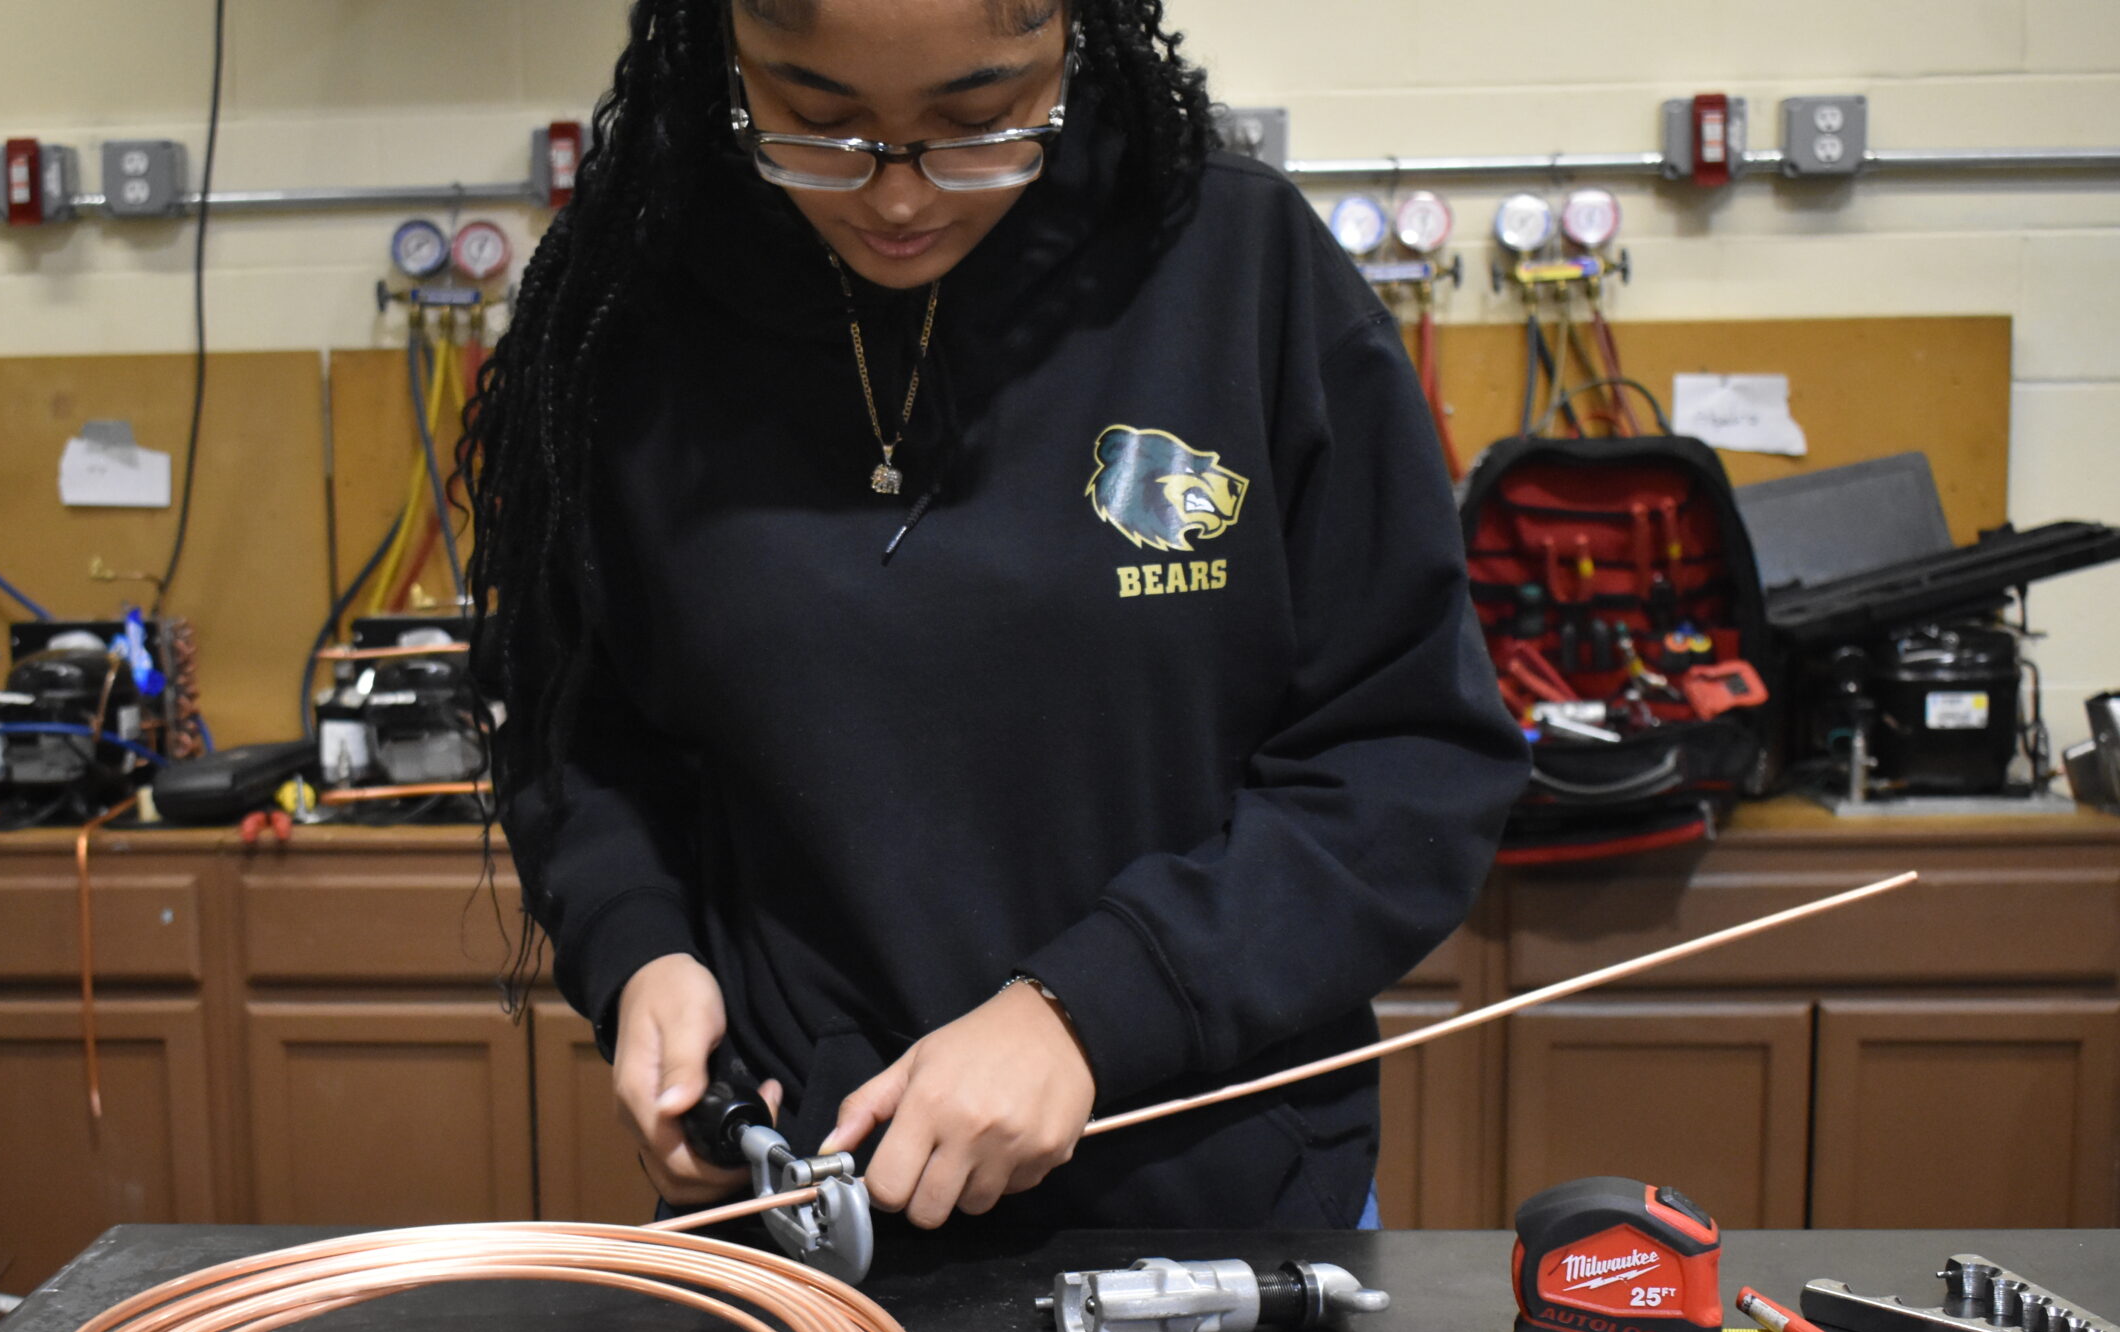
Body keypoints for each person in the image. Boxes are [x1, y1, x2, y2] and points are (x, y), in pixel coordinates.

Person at [473, 0, 1530, 1241]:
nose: (900, 197)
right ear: (722, 56)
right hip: (801, 1220)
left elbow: (1406, 763)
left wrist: (1090, 1008)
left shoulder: (1240, 272)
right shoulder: (627, 310)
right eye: (818, 120)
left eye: (978, 123)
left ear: (1074, 47)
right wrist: (643, 953)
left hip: (1209, 1218)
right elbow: (578, 736)